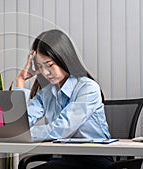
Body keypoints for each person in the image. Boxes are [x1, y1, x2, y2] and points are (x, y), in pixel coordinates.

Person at [15, 29, 114, 169]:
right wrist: (20, 81)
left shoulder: (88, 88)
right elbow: (20, 122)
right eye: (40, 67)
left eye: (49, 65)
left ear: (64, 58)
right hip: (62, 159)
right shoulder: (47, 92)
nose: (45, 72)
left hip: (93, 160)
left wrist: (19, 135)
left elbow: (62, 128)